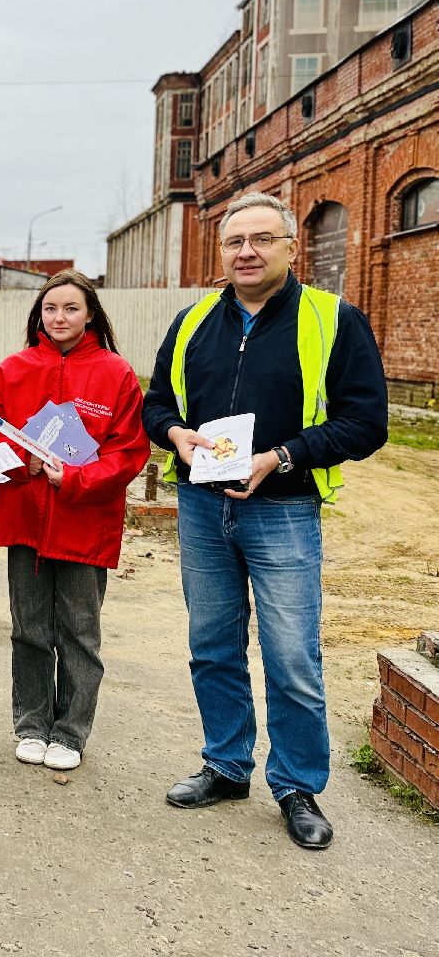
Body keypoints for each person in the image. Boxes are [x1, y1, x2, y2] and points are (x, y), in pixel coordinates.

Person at [143, 191, 387, 850]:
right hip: (201, 509)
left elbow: (367, 423)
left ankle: (297, 786)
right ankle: (226, 766)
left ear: (290, 247)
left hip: (282, 511)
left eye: (261, 239)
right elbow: (156, 403)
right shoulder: (194, 321)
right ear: (221, 252)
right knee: (213, 647)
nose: (246, 252)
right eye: (234, 242)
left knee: (291, 657)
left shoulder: (334, 319)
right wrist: (174, 435)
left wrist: (281, 457)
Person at [0, 270, 149, 772]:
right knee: (29, 628)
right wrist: (20, 463)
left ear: (90, 313)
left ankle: (71, 732)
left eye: (71, 308)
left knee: (79, 633)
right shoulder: (14, 369)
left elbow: (129, 450)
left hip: (83, 523)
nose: (60, 318)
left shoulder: (115, 373)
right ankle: (31, 724)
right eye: (51, 309)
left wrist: (73, 478)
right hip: (24, 519)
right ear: (39, 315)